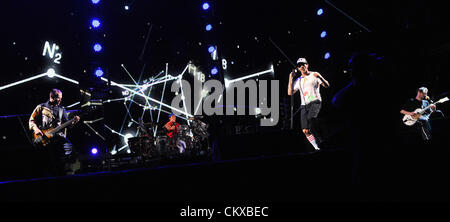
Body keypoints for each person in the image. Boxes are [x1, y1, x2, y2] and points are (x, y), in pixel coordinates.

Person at [29, 89, 80, 176]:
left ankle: (69, 174)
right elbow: (31, 120)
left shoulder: (61, 109)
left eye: (61, 98)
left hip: (58, 137)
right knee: (47, 162)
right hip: (43, 137)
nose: (60, 100)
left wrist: (73, 122)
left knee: (71, 151)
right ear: (52, 97)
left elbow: (66, 125)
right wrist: (36, 129)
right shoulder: (41, 107)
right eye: (58, 98)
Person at [288, 58, 330, 151]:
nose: (301, 66)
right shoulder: (298, 80)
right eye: (299, 65)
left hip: (315, 101)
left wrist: (319, 77)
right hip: (304, 105)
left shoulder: (314, 74)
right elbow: (290, 92)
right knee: (305, 131)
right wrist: (290, 78)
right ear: (298, 69)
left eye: (303, 64)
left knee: (311, 119)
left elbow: (327, 85)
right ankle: (316, 148)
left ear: (307, 65)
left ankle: (321, 140)